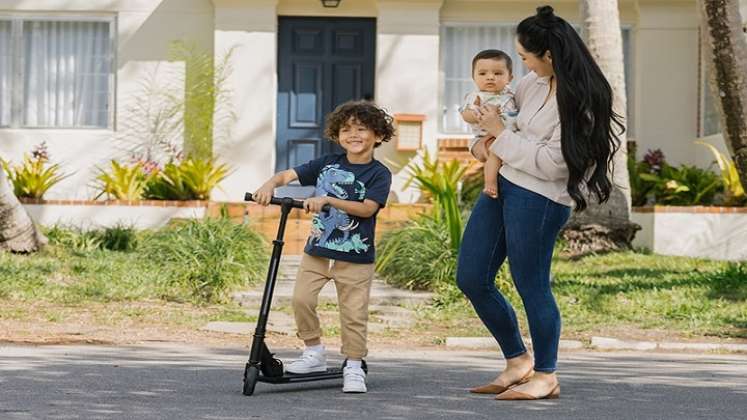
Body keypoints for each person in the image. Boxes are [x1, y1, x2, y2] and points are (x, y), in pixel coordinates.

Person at [456, 5, 624, 401]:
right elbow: (494, 125)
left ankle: (546, 374)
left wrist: (500, 138)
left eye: (527, 56)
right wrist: (481, 143)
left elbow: (552, 165)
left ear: (549, 55)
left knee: (531, 284)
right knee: (471, 277)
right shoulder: (532, 83)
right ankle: (518, 361)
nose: (523, 64)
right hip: (503, 188)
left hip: (541, 198)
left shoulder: (581, 101)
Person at [252, 100, 394, 394]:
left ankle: (354, 366)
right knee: (301, 300)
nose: (352, 135)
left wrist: (328, 200)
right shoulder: (327, 164)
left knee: (353, 313)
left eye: (361, 129)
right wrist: (269, 185)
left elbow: (367, 209)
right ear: (336, 134)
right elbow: (287, 176)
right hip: (318, 250)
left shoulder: (379, 174)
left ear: (378, 136)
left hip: (355, 256)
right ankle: (314, 351)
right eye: (346, 129)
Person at [460, 49, 518, 198]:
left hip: (508, 136)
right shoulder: (476, 97)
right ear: (473, 77)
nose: (490, 77)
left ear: (510, 77)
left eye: (498, 73)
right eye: (483, 73)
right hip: (485, 137)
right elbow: (465, 114)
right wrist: (477, 114)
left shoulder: (511, 96)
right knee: (495, 151)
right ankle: (490, 184)